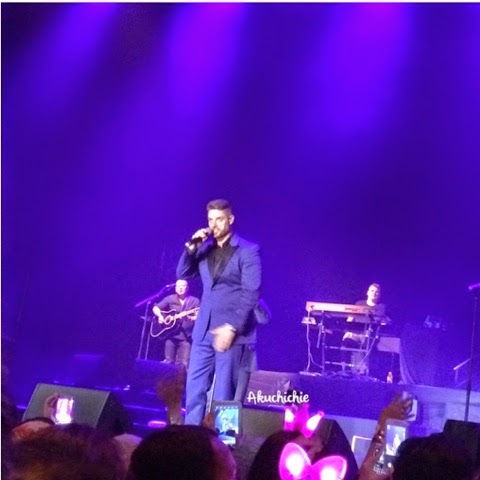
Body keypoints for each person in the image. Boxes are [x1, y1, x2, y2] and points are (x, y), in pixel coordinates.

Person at [177, 199, 261, 425]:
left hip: (231, 332)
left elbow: (251, 293)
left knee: (225, 396)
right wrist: (191, 247)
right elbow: (182, 273)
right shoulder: (204, 249)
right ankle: (191, 438)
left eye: (219, 219)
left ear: (230, 219)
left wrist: (233, 327)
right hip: (203, 331)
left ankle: (225, 442)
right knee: (194, 390)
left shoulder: (248, 251)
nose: (214, 224)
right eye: (210, 220)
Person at [152, 279, 200, 369]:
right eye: (178, 286)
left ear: (187, 288)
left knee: (183, 365)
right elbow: (156, 308)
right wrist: (160, 316)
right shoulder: (170, 298)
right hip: (171, 336)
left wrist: (190, 318)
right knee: (168, 363)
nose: (180, 288)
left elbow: (199, 317)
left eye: (183, 286)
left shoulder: (194, 301)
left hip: (186, 337)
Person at [342, 283, 386, 375]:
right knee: (347, 341)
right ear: (367, 292)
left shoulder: (381, 307)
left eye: (376, 292)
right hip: (355, 332)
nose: (374, 293)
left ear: (379, 295)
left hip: (369, 334)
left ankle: (361, 371)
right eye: (372, 291)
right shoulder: (359, 304)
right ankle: (346, 369)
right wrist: (347, 331)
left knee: (365, 342)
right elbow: (350, 318)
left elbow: (383, 321)